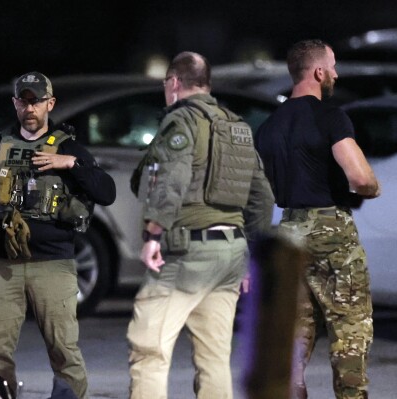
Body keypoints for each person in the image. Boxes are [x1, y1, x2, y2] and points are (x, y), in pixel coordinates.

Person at [127, 51, 274, 399]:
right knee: (214, 358)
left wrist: (153, 233)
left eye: (166, 84)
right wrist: (253, 258)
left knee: (148, 349)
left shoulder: (181, 122)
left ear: (175, 83)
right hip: (230, 255)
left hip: (187, 252)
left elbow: (172, 178)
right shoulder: (237, 126)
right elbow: (262, 197)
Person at [0, 71, 116, 399]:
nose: (29, 108)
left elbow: (106, 192)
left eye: (36, 101)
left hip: (54, 264)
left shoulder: (69, 148)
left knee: (64, 351)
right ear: (15, 103)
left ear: (50, 103)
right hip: (1, 265)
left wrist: (71, 163)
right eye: (23, 100)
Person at [255, 39, 381, 399]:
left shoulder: (269, 127)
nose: (337, 74)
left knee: (295, 333)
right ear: (318, 71)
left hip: (289, 229)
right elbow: (359, 178)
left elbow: (264, 188)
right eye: (333, 66)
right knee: (350, 329)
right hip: (331, 230)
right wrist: (372, 188)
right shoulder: (331, 116)